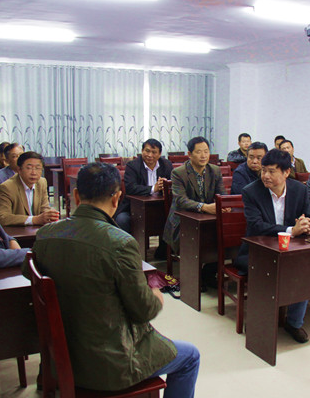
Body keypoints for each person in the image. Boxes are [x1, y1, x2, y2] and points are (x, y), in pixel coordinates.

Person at [22, 162, 199, 397]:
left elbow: (29, 273)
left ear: (76, 195)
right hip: (109, 365)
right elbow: (144, 311)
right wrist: (155, 295)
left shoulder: (46, 234)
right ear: (117, 198)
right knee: (191, 356)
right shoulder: (120, 243)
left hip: (59, 358)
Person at [234, 149, 310, 343]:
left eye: (271, 171)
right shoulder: (251, 191)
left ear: (286, 172)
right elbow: (256, 226)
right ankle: (258, 320)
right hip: (257, 252)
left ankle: (294, 323)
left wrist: (308, 226)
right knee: (267, 271)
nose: (265, 175)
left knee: (305, 269)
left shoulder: (299, 190)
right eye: (263, 170)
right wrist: (291, 231)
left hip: (290, 251)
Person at [162, 136, 226, 254]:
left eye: (206, 151)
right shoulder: (178, 173)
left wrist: (225, 205)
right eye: (199, 152)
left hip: (207, 219)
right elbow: (181, 200)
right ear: (190, 154)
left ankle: (213, 263)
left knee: (225, 237)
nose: (203, 156)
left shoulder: (215, 170)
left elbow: (222, 194)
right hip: (183, 221)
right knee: (203, 245)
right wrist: (204, 207)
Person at [114, 138, 173, 234]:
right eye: (147, 151)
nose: (150, 155)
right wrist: (153, 188)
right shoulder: (132, 166)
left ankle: (163, 244)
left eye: (154, 152)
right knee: (122, 219)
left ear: (159, 154)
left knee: (175, 218)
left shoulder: (166, 165)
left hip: (160, 207)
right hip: (133, 208)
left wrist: (165, 186)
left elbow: (172, 186)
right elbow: (130, 188)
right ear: (142, 151)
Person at [0, 151, 59, 226]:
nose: (34, 173)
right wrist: (34, 219)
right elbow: (2, 218)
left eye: (38, 168)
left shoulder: (42, 182)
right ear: (19, 170)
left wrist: (49, 215)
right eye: (29, 168)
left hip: (37, 229)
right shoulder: (7, 187)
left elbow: (44, 207)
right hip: (17, 231)